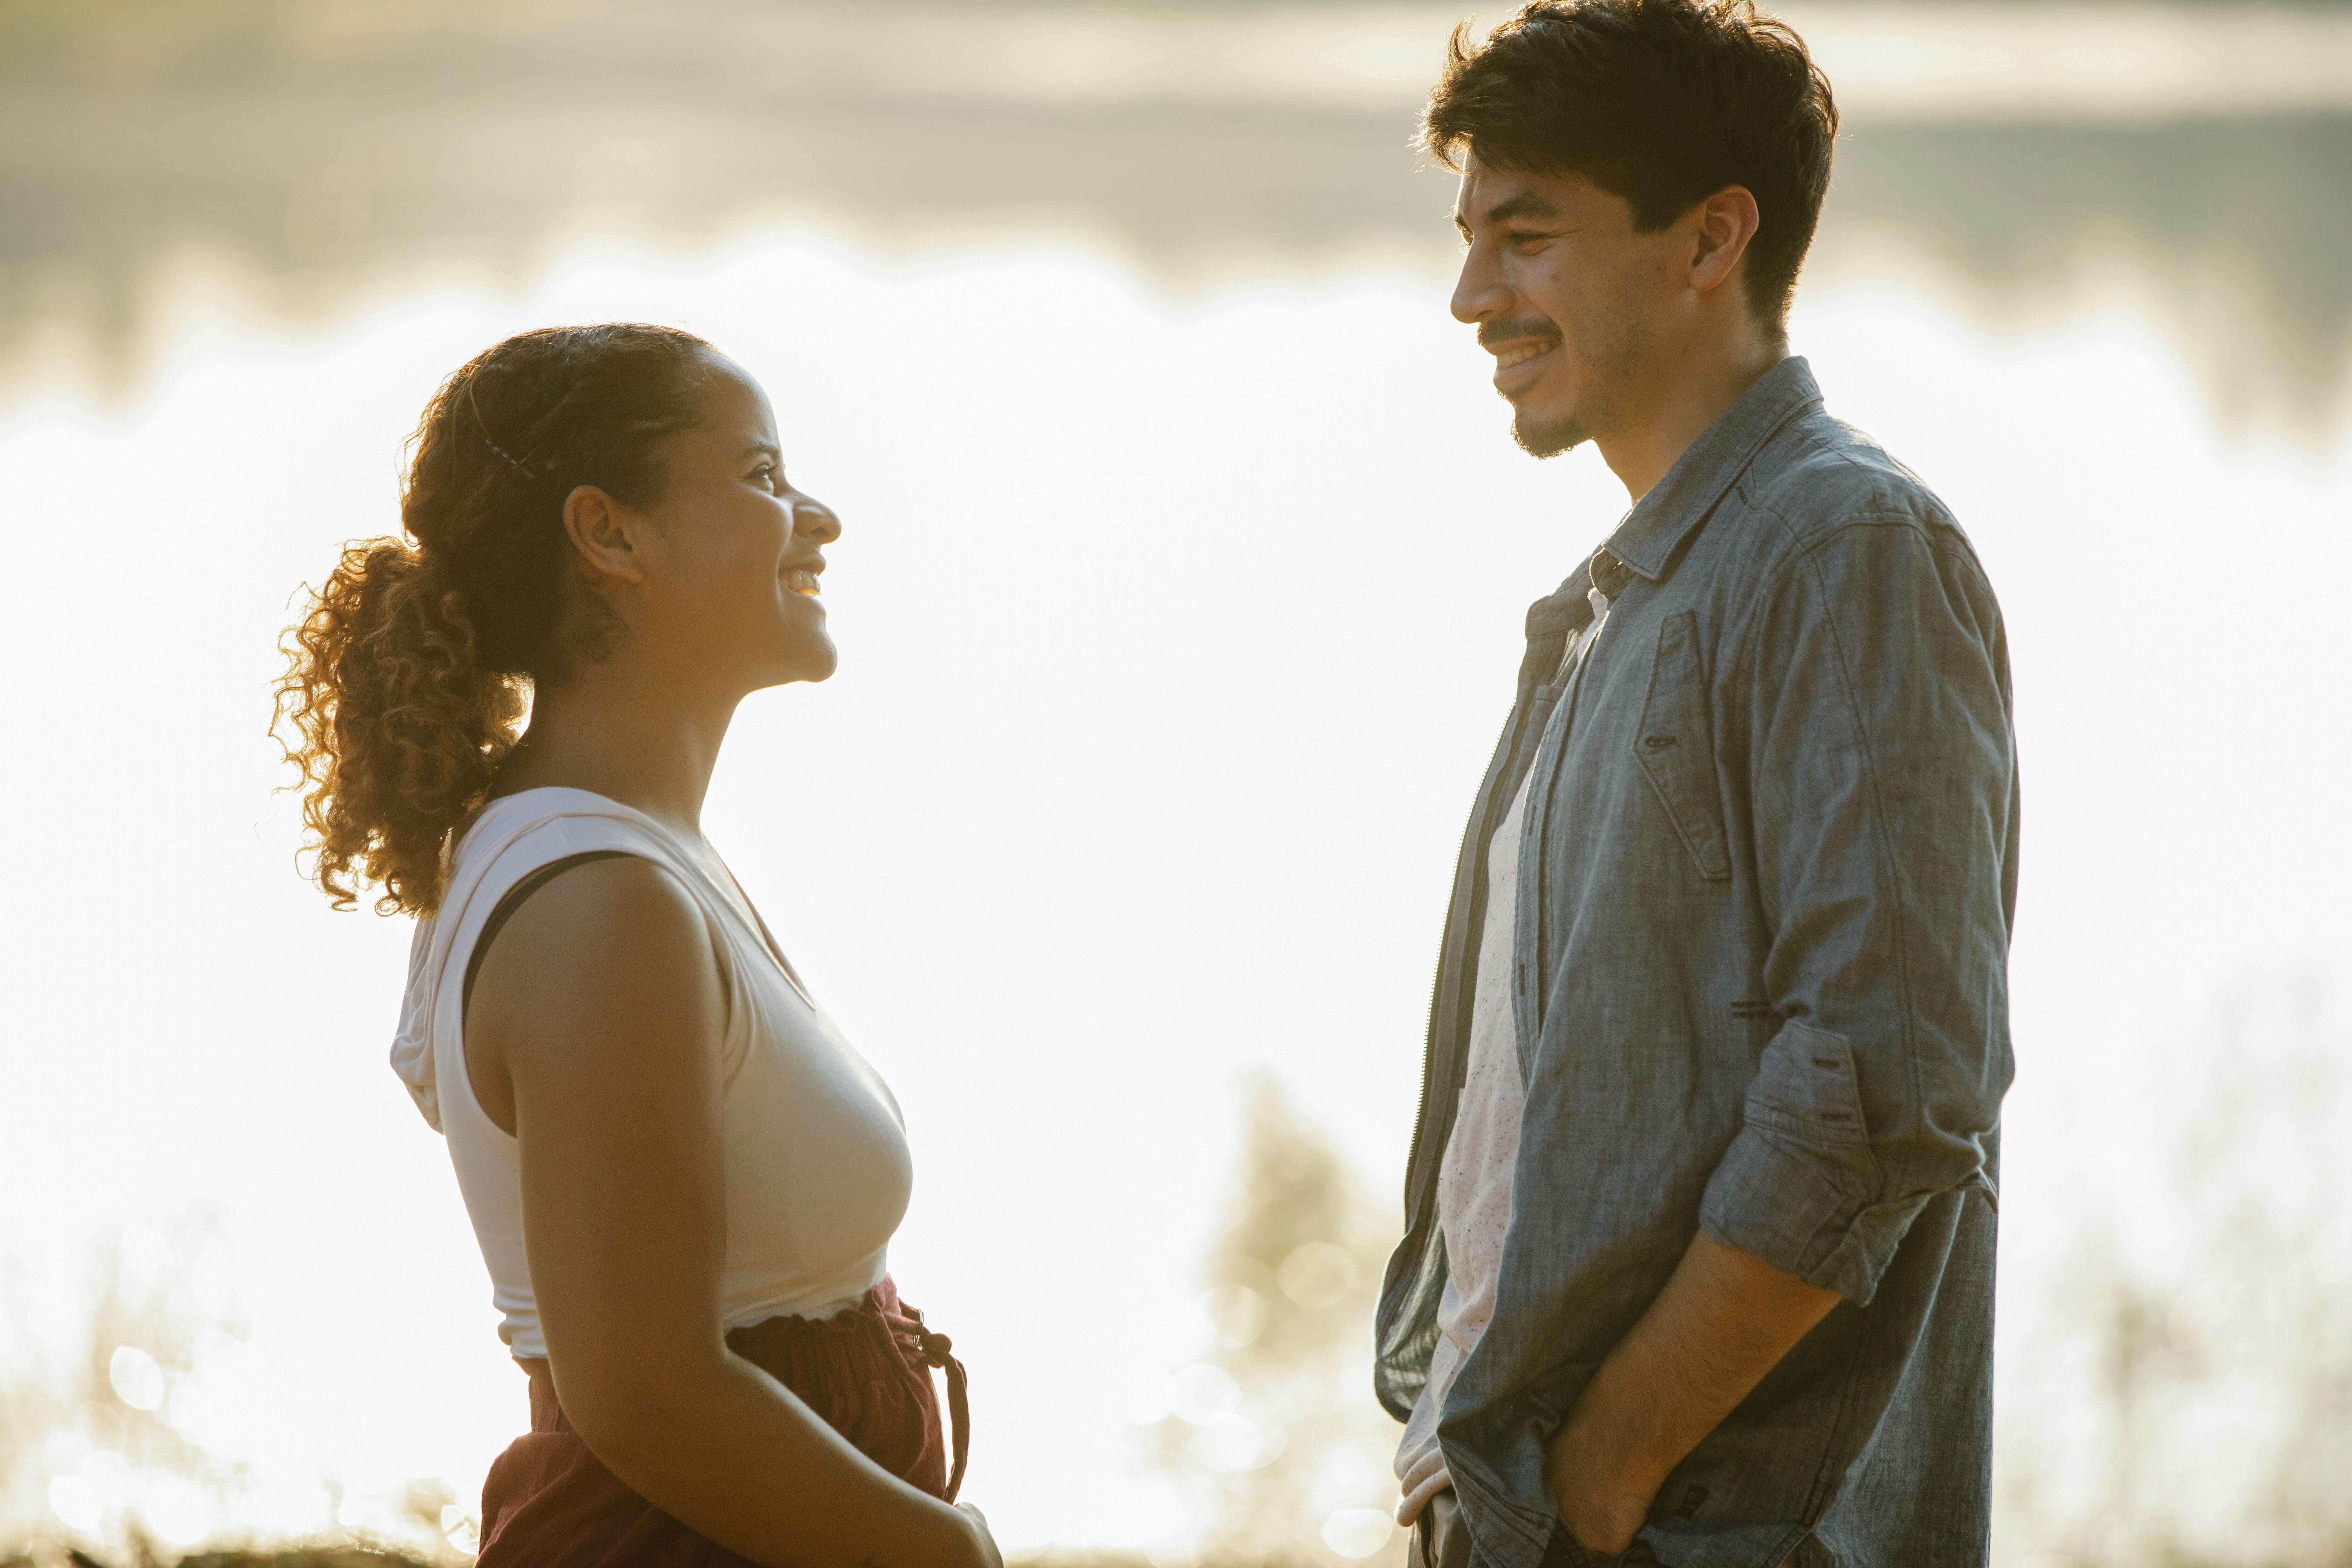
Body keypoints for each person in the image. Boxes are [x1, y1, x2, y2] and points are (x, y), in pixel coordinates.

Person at [1375, 5, 2018, 1567]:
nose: (1472, 296)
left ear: (1713, 236)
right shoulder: (1633, 592)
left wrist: (1604, 1475)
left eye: (1525, 239)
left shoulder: (1843, 550)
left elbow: (1878, 1090)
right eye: (1469, 238)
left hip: (1691, 1532)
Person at [275, 323, 999, 1568]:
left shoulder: (631, 860)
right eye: (764, 478)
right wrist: (951, 1556)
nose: (818, 518)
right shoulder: (596, 903)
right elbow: (649, 1398)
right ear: (610, 535)